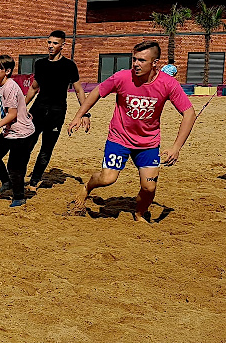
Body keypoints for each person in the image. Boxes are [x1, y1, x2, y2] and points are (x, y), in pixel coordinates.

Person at [67, 40, 196, 221]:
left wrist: (176, 147)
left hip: (148, 143)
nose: (136, 64)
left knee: (149, 187)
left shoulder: (168, 84)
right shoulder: (122, 77)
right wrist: (79, 115)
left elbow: (189, 113)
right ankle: (86, 188)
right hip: (119, 138)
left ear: (155, 63)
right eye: (134, 59)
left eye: (142, 60)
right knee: (107, 179)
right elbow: (97, 92)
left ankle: (139, 213)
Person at [24, 30, 90, 191]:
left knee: (46, 148)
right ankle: (19, 176)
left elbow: (79, 90)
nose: (51, 46)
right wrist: (21, 107)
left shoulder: (69, 66)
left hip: (57, 112)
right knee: (26, 145)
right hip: (37, 110)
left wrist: (85, 113)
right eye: (49, 42)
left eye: (55, 43)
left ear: (62, 45)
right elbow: (33, 88)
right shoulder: (40, 64)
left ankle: (35, 181)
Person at [0, 55, 37, 208]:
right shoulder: (2, 85)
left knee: (15, 167)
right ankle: (7, 182)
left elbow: (12, 115)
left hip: (21, 134)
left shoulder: (9, 87)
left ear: (7, 71)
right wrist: (24, 111)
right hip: (11, 131)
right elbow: (16, 108)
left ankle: (19, 197)